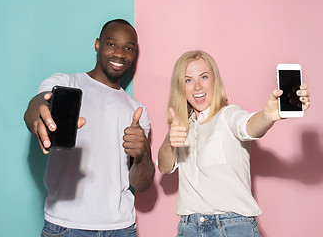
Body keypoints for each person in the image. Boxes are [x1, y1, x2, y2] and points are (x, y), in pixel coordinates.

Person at [24, 19, 155, 237]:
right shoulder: (65, 83)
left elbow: (141, 183)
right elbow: (37, 105)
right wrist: (38, 114)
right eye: (112, 44)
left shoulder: (137, 110)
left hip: (120, 228)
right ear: (97, 44)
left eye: (129, 48)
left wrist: (142, 154)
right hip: (65, 227)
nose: (120, 54)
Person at [157, 50, 310, 237]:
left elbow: (249, 126)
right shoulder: (181, 127)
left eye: (204, 77)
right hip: (189, 226)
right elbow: (165, 167)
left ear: (215, 81)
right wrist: (170, 140)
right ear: (180, 87)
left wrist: (267, 116)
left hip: (233, 227)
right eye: (188, 80)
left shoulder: (228, 115)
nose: (197, 86)